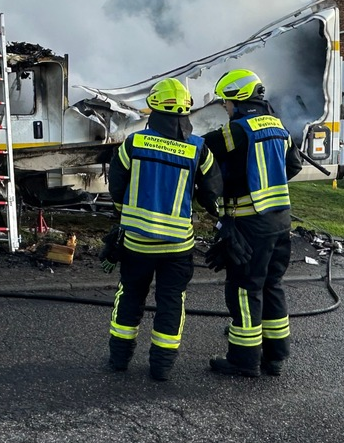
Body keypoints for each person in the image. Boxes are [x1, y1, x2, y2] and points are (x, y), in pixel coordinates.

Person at [102, 78, 221, 381]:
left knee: (130, 297)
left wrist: (123, 215)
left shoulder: (134, 143)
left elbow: (116, 186)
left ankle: (119, 360)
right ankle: (162, 367)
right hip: (178, 247)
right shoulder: (198, 149)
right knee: (172, 302)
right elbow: (212, 190)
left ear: (154, 107)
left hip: (138, 243)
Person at [202, 69, 302, 378]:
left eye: (226, 102)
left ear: (239, 100)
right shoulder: (279, 127)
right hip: (280, 221)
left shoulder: (240, 130)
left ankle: (243, 360)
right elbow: (294, 165)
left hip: (250, 223)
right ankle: (275, 357)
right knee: (271, 285)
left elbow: (205, 147)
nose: (225, 108)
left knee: (244, 289)